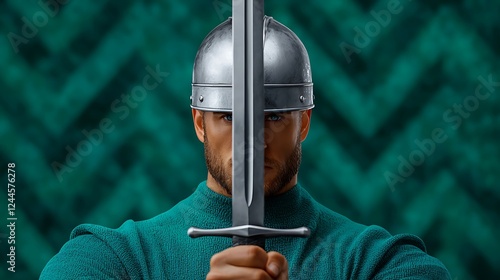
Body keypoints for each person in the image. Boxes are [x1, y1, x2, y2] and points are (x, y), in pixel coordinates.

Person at [40, 16, 451, 279]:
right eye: (229, 118)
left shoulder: (375, 262)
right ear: (199, 122)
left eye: (273, 117)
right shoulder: (117, 258)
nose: (252, 143)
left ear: (303, 122)